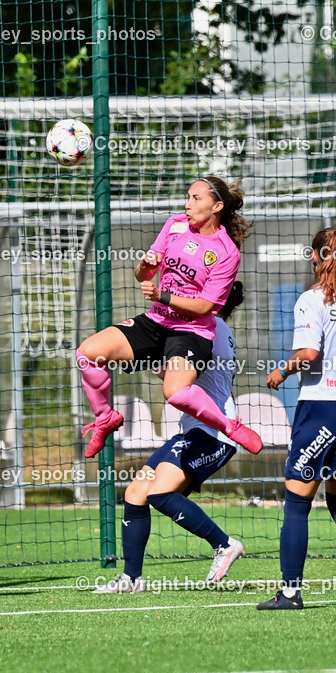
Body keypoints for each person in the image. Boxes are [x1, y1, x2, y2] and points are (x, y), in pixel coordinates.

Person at [76, 177, 262, 460]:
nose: (187, 205)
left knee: (174, 392)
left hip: (192, 332)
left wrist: (163, 296)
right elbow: (142, 275)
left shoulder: (226, 252)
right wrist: (144, 266)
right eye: (188, 197)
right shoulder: (175, 225)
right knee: (87, 354)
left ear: (217, 207)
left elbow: (205, 307)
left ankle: (230, 425)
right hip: (157, 321)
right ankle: (105, 418)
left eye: (196, 199)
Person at [255, 228, 336, 611]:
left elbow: (309, 353)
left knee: (297, 502)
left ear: (316, 257)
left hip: (322, 409)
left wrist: (281, 371)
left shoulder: (311, 300)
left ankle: (290, 593)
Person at [94, 284, 247, 594]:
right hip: (193, 430)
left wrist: (137, 353)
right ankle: (132, 579)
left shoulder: (211, 328)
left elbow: (176, 372)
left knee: (159, 492)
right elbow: (176, 372)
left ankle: (224, 544)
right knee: (136, 492)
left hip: (214, 433)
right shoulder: (210, 328)